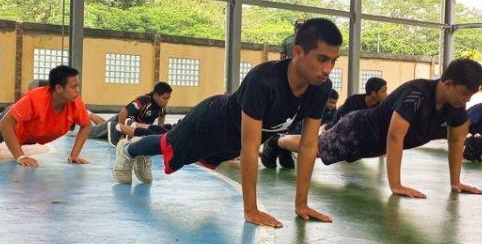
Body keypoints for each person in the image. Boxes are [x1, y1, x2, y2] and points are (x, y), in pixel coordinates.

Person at [112, 18, 343, 228]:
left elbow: (309, 145)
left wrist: (301, 205)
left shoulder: (320, 87)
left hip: (231, 142)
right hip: (210, 123)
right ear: (298, 52)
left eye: (333, 61)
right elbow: (251, 148)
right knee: (169, 144)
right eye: (322, 59)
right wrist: (251, 210)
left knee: (174, 146)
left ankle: (135, 150)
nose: (327, 69)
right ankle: (129, 149)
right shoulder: (263, 81)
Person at [306, 58, 482, 199]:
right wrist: (396, 185)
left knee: (315, 149)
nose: (467, 100)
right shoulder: (416, 93)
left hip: (376, 146)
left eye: (470, 95)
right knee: (313, 149)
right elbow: (395, 137)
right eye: (465, 93)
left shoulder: (455, 105)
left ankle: (281, 140)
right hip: (357, 131)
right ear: (448, 83)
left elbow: (456, 141)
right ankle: (279, 140)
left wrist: (455, 182)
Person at [0, 64, 92, 166]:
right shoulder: (34, 100)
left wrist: (74, 155)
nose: (78, 90)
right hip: (14, 129)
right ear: (59, 88)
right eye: (74, 87)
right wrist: (20, 156)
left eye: (78, 86)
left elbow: (86, 125)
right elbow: (5, 125)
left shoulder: (76, 102)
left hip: (31, 135)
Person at [90, 82, 173, 146]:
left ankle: (89, 113)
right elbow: (123, 112)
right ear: (156, 95)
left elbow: (160, 125)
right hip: (119, 121)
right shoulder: (143, 101)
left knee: (102, 125)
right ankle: (85, 113)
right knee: (91, 131)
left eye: (168, 99)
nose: (167, 101)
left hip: (131, 127)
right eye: (165, 98)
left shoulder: (162, 107)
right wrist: (120, 134)